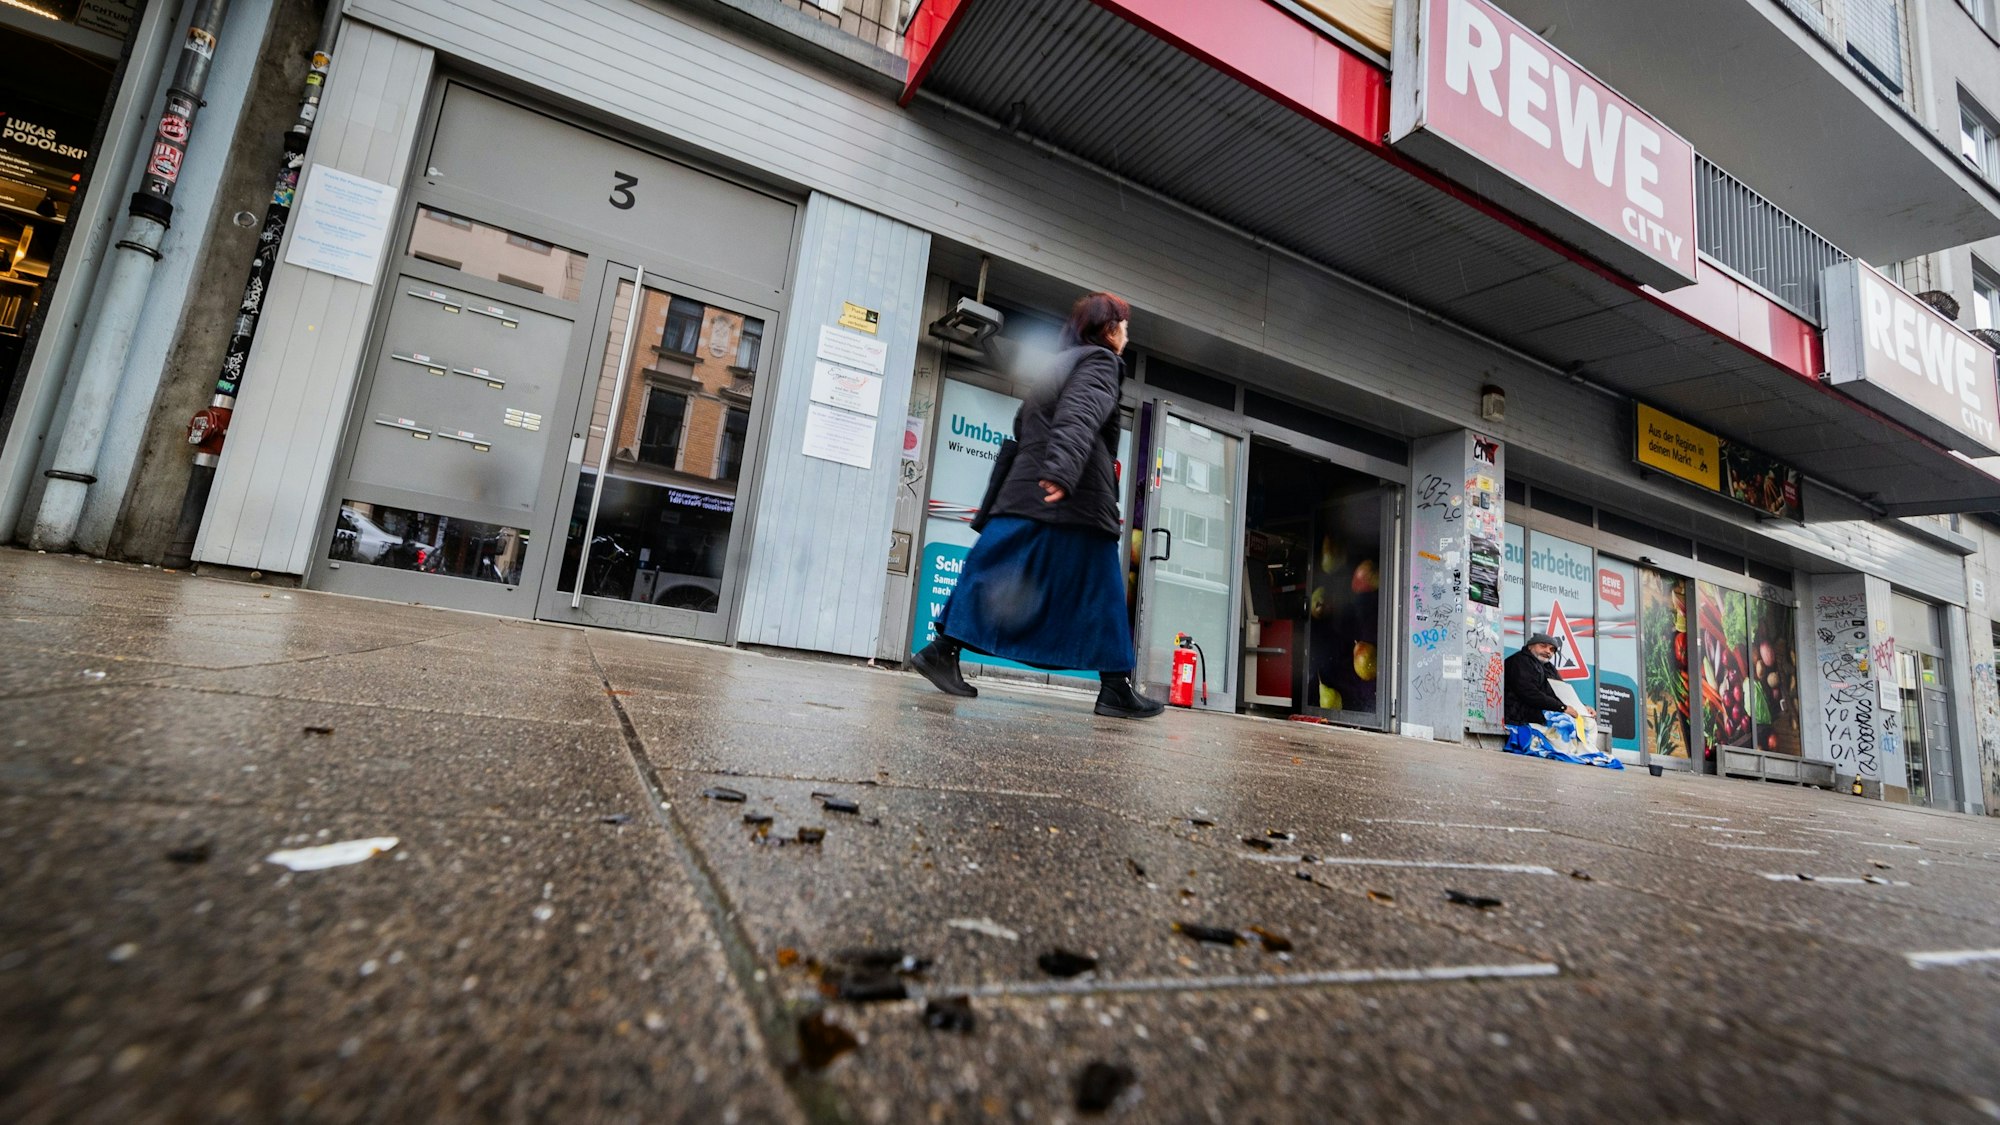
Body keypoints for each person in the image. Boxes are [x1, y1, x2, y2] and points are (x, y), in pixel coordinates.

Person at [909, 292, 1164, 719]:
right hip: (1070, 498)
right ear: (1108, 329)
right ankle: (1116, 688)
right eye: (1123, 323)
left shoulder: (1057, 364)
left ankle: (943, 651)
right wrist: (1062, 470)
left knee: (993, 572)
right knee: (1099, 590)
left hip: (1029, 494)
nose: (1126, 333)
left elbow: (1027, 424)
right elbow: (1080, 414)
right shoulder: (1100, 362)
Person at [1503, 632, 1584, 727]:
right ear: (1530, 647)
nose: (1548, 651)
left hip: (1535, 722)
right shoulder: (1520, 661)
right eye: (1543, 646)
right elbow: (1528, 692)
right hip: (1516, 722)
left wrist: (1582, 708)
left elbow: (1561, 693)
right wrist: (1561, 707)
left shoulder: (1549, 667)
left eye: (1552, 649)